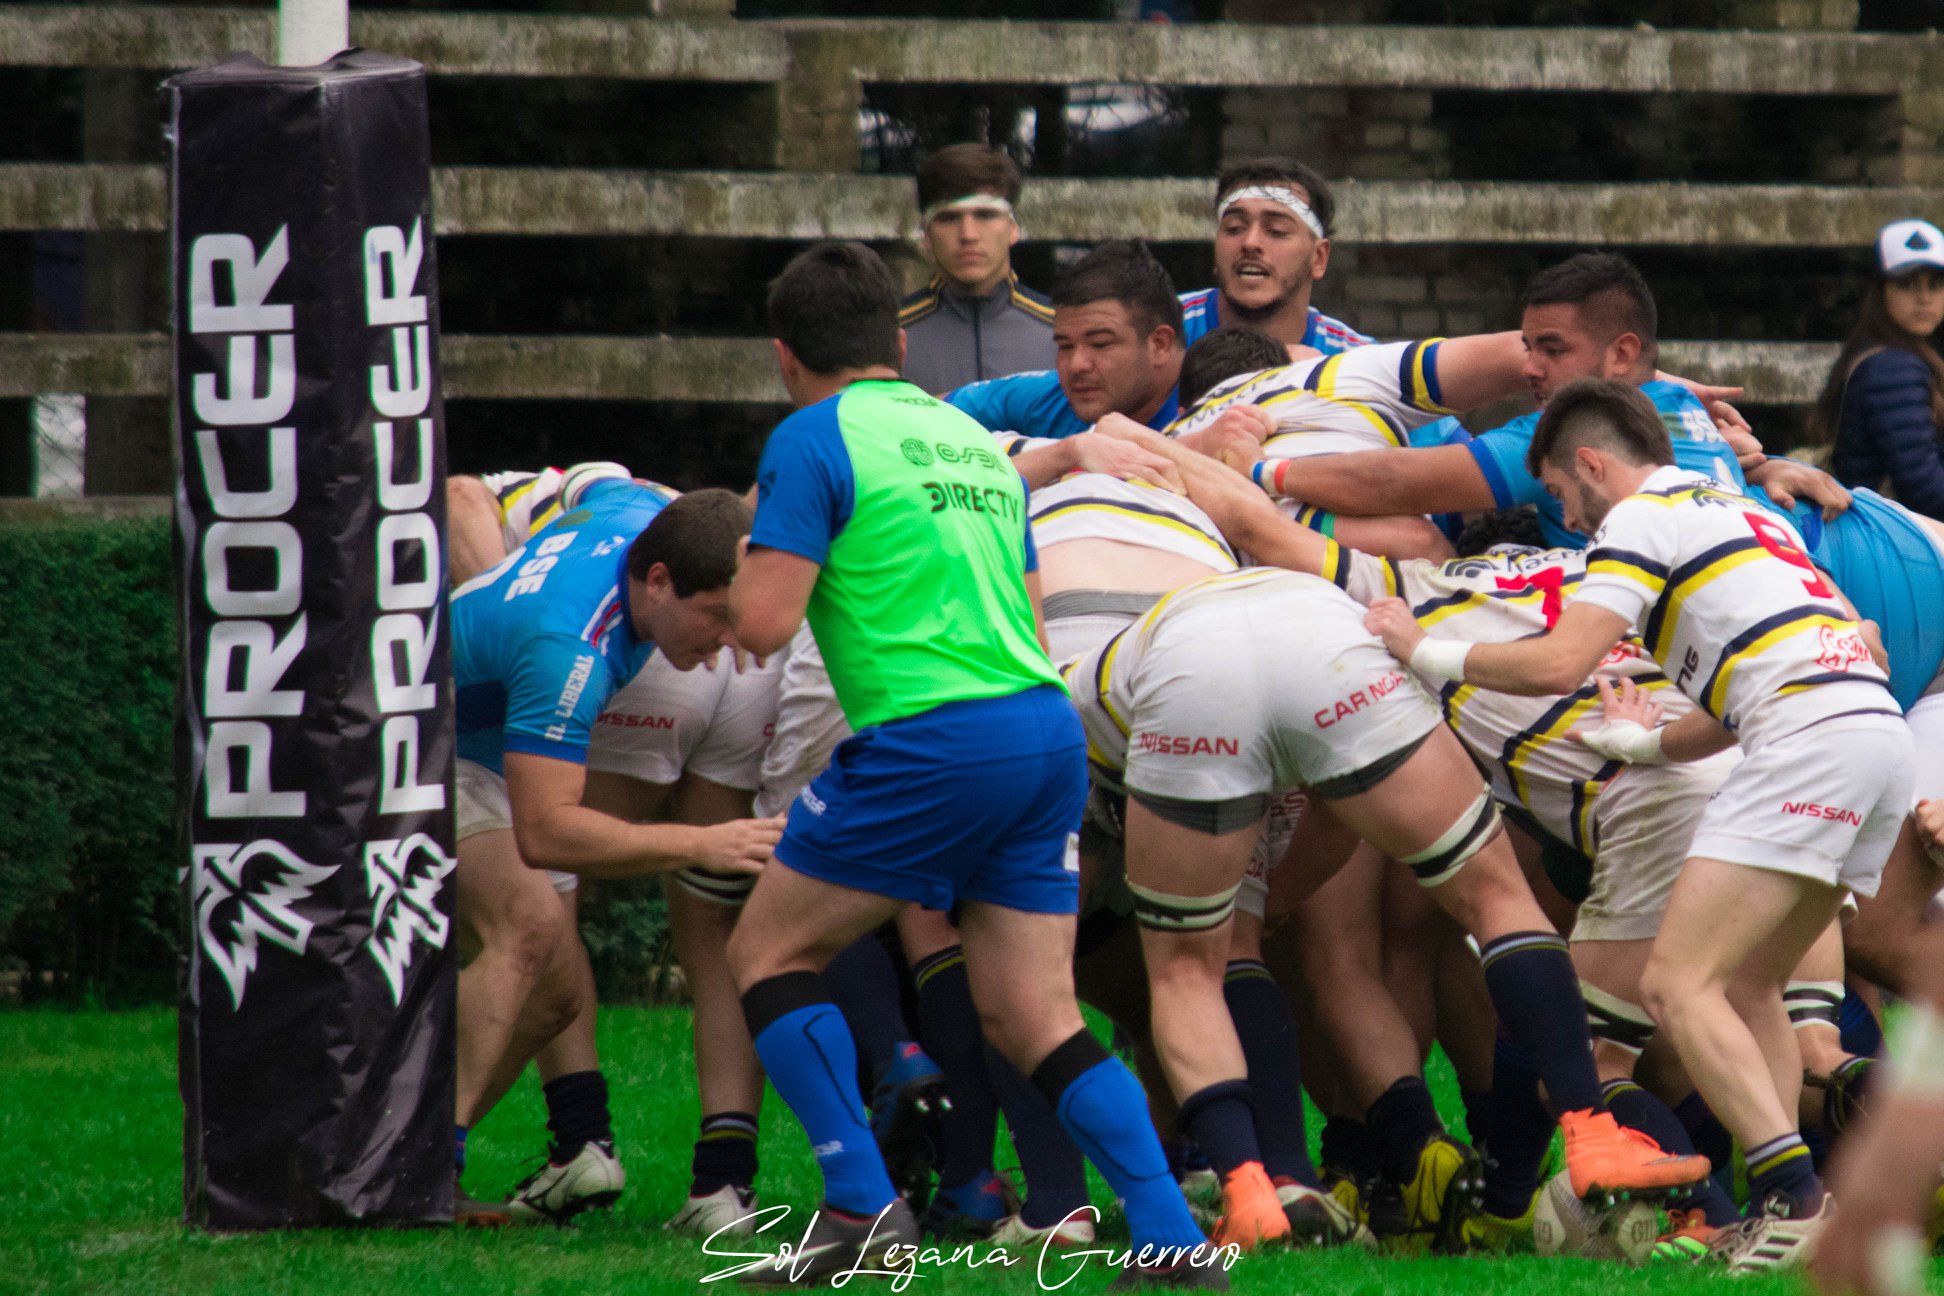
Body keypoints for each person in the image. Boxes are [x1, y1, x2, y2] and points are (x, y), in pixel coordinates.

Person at [722, 241, 1222, 1287]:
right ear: (900, 347)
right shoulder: (967, 440)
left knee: (766, 954)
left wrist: (751, 558)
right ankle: (1171, 1236)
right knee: (1036, 1013)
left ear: (784, 357)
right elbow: (1030, 614)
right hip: (1042, 728)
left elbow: (762, 625)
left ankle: (861, 1210)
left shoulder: (811, 439)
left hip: (932, 737)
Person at [1365, 378, 1915, 1272]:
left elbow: (1560, 663)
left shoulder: (1637, 520)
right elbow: (1774, 679)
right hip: (1875, 739)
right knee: (1749, 988)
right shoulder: (1740, 513)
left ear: (1590, 464)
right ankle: (1789, 1197)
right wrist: (1645, 743)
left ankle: (1795, 1197)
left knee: (1676, 987)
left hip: (1808, 746)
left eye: (1559, 493)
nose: (1566, 518)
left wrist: (1420, 648)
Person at [447, 483, 783, 1221]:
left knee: (556, 996)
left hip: (476, 748)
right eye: (717, 616)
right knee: (529, 926)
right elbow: (546, 835)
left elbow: (608, 488)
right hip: (425, 753)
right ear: (658, 580)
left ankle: (411, 1152)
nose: (730, 641)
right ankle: (414, 1166)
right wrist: (702, 842)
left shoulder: (642, 518)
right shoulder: (570, 650)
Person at [947, 239, 1185, 440]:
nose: (1076, 365)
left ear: (1160, 345)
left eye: (1100, 344)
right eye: (1065, 346)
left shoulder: (1206, 412)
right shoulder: (1054, 399)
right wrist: (1061, 454)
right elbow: (933, 410)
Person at [1812, 218, 1944, 520]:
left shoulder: (1895, 355)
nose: (1924, 298)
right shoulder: (1892, 369)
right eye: (1907, 283)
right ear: (1880, 290)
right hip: (1893, 532)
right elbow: (1923, 488)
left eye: (1935, 285)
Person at [897, 143, 1054, 395]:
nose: (968, 234)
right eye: (948, 218)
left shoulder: (1062, 333)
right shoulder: (889, 336)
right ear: (926, 235)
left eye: (985, 215)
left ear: (1013, 228)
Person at [1178, 158, 1372, 354]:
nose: (1250, 242)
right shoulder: (1167, 332)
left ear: (1319, 258)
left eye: (1276, 231)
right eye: (1234, 228)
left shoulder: (1358, 360)